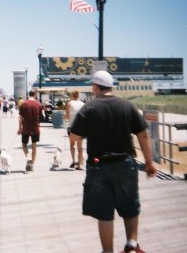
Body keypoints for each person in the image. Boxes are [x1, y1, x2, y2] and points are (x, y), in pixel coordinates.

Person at [69, 71, 156, 253]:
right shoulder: (127, 106)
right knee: (130, 206)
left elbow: (74, 135)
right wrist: (149, 163)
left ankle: (108, 251)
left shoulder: (89, 108)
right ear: (110, 86)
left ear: (95, 87)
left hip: (98, 166)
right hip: (125, 163)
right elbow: (143, 135)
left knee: (104, 213)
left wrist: (88, 131)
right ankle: (132, 244)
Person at [17, 89, 44, 172]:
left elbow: (21, 118)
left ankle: (28, 156)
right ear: (35, 95)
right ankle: (32, 164)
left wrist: (19, 128)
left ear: (29, 94)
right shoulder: (39, 104)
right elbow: (42, 116)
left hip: (26, 128)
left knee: (24, 144)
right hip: (35, 128)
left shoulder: (24, 104)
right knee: (34, 146)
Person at [65, 90, 85, 169]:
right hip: (81, 127)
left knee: (72, 145)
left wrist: (65, 118)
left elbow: (66, 116)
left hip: (72, 127)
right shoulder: (83, 104)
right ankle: (80, 165)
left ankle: (73, 161)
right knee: (80, 146)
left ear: (72, 96)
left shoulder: (69, 103)